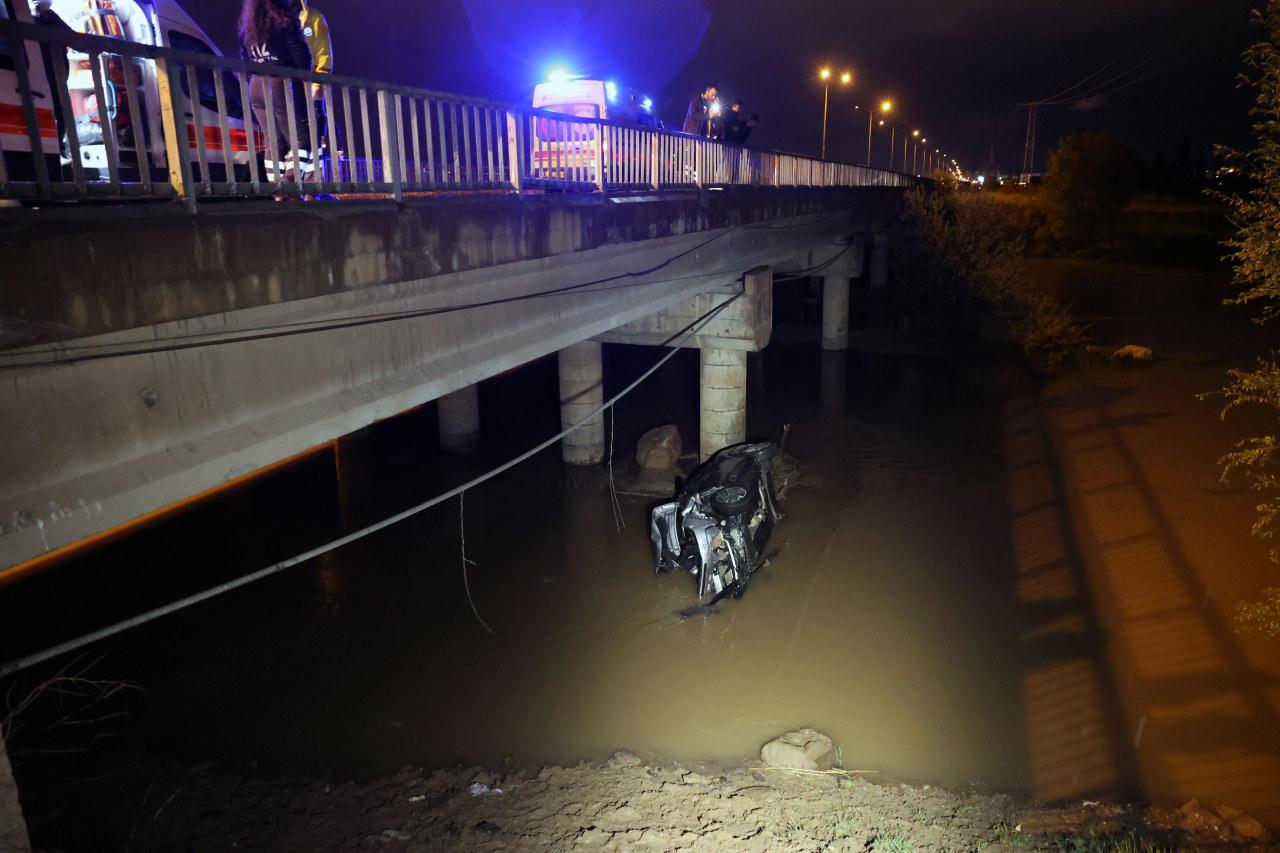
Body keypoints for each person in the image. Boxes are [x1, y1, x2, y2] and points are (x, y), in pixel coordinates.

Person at [238, 0, 312, 185]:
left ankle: (276, 189)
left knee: (273, 140)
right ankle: (288, 184)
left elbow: (244, 59)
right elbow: (302, 58)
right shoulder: (285, 22)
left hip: (256, 85)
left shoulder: (247, 27)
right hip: (280, 83)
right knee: (300, 139)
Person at [28, 0, 72, 159]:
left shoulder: (50, 17)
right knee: (56, 112)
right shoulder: (31, 17)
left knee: (59, 113)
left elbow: (72, 38)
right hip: (46, 75)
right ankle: (56, 151)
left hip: (53, 75)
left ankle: (58, 150)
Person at [298, 0, 341, 161]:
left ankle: (314, 178)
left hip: (311, 83)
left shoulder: (314, 18)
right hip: (290, 85)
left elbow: (324, 53)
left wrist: (318, 83)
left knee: (314, 129)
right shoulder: (281, 17)